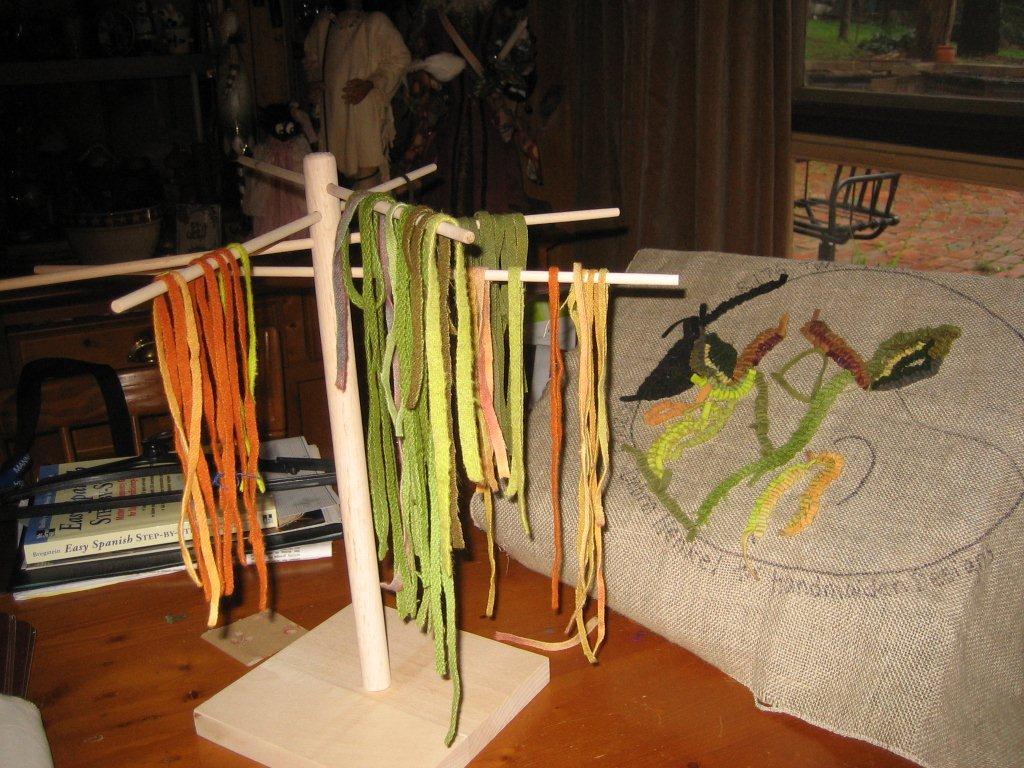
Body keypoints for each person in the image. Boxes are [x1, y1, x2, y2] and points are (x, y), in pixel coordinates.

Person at [303, 2, 411, 188]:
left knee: (368, 183)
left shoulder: (376, 23)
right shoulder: (324, 26)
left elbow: (401, 58)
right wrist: (314, 81)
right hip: (333, 118)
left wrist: (372, 83)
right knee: (332, 181)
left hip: (364, 118)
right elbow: (311, 59)